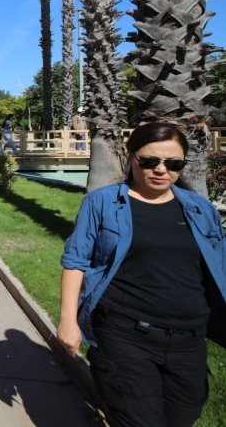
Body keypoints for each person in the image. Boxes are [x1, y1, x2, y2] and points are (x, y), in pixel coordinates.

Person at [57, 122, 226, 426]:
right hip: (125, 335)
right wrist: (69, 321)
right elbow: (76, 260)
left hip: (189, 340)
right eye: (149, 161)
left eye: (173, 164)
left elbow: (217, 266)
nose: (161, 170)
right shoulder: (104, 202)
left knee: (182, 418)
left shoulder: (200, 209)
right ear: (130, 157)